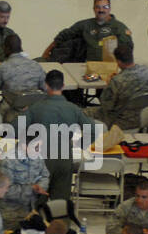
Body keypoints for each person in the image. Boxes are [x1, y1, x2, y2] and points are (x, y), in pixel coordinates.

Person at [23, 69, 95, 200]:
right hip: (64, 158)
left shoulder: (35, 108)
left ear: (46, 85)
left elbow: (16, 128)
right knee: (60, 204)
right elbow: (92, 130)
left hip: (41, 159)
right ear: (63, 86)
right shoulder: (74, 108)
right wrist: (79, 146)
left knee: (38, 200)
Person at [41, 0, 130, 62]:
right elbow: (63, 36)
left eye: (105, 7)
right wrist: (46, 52)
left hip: (111, 67)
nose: (101, 10)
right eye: (97, 7)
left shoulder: (119, 28)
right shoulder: (85, 25)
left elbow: (128, 50)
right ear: (93, 9)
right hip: (88, 66)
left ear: (110, 8)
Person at [92, 40, 148, 130]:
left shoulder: (117, 81)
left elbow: (106, 106)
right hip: (143, 117)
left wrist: (109, 85)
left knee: (82, 112)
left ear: (118, 61)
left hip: (120, 120)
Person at [0, 32, 45, 120]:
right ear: (21, 47)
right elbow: (45, 88)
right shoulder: (36, 65)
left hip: (9, 111)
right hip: (33, 111)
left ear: (5, 48)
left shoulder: (3, 67)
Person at [0, 140, 49, 231]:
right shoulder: (7, 161)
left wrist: (41, 186)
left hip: (30, 212)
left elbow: (45, 176)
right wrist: (31, 189)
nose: (39, 150)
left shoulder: (37, 158)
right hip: (10, 215)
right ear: (24, 146)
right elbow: (4, 191)